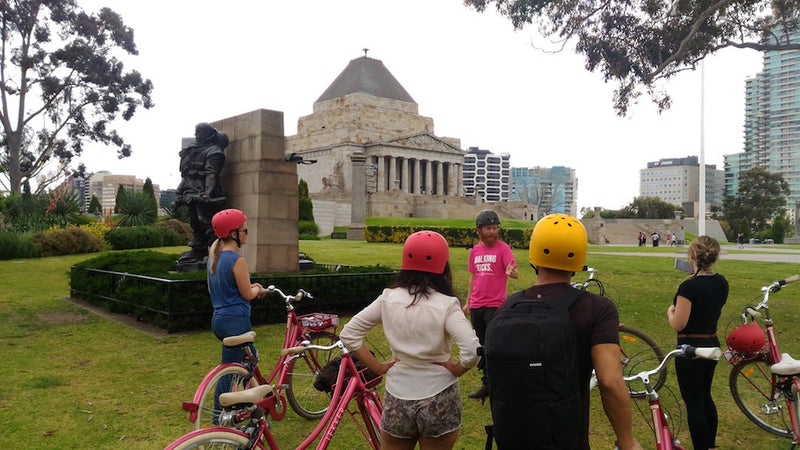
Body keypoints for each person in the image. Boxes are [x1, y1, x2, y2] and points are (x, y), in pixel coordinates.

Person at [503, 213, 641, 450]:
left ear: (534, 254)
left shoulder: (509, 306)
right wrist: (627, 440)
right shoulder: (597, 308)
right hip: (567, 439)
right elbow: (609, 381)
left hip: (513, 437)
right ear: (579, 256)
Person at [340, 230, 480, 450]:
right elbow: (472, 350)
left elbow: (349, 334)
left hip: (398, 396)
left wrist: (377, 367)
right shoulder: (446, 304)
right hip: (439, 396)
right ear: (443, 266)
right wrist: (457, 369)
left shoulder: (388, 298)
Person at [667, 236, 728, 450]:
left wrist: (670, 311)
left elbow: (679, 323)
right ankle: (710, 445)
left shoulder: (689, 287)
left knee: (694, 403)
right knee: (705, 396)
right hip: (711, 342)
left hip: (690, 348)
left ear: (691, 257)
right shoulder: (721, 282)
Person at [207, 209, 266, 415]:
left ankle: (246, 404)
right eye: (244, 230)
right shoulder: (236, 260)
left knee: (246, 361)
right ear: (233, 234)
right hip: (236, 320)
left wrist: (252, 287)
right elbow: (247, 294)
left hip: (219, 319)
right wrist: (258, 288)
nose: (247, 234)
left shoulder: (214, 258)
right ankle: (220, 414)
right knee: (231, 371)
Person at [462, 209, 519, 400]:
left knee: (494, 345)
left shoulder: (503, 249)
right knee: (482, 345)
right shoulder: (475, 251)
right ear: (479, 230)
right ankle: (488, 383)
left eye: (495, 228)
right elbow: (473, 277)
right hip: (477, 305)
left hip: (495, 305)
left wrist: (512, 272)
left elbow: (513, 270)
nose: (492, 232)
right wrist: (468, 302)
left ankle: (497, 383)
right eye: (488, 228)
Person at [176, 122, 229, 270]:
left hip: (205, 192)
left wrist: (208, 192)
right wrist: (180, 192)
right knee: (195, 221)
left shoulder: (214, 152)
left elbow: (212, 173)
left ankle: (215, 250)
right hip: (190, 190)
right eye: (196, 132)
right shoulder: (191, 150)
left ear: (209, 135)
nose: (197, 136)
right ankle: (198, 250)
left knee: (206, 221)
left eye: (200, 133)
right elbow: (186, 175)